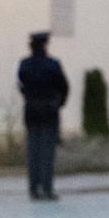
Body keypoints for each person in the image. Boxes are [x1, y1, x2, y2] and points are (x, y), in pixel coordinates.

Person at [17, 31, 69, 201]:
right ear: (45, 45)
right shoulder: (53, 65)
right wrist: (59, 103)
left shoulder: (24, 64)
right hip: (49, 111)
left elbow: (21, 85)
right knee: (47, 153)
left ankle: (33, 189)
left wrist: (30, 98)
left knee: (33, 152)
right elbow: (64, 86)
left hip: (31, 111)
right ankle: (47, 189)